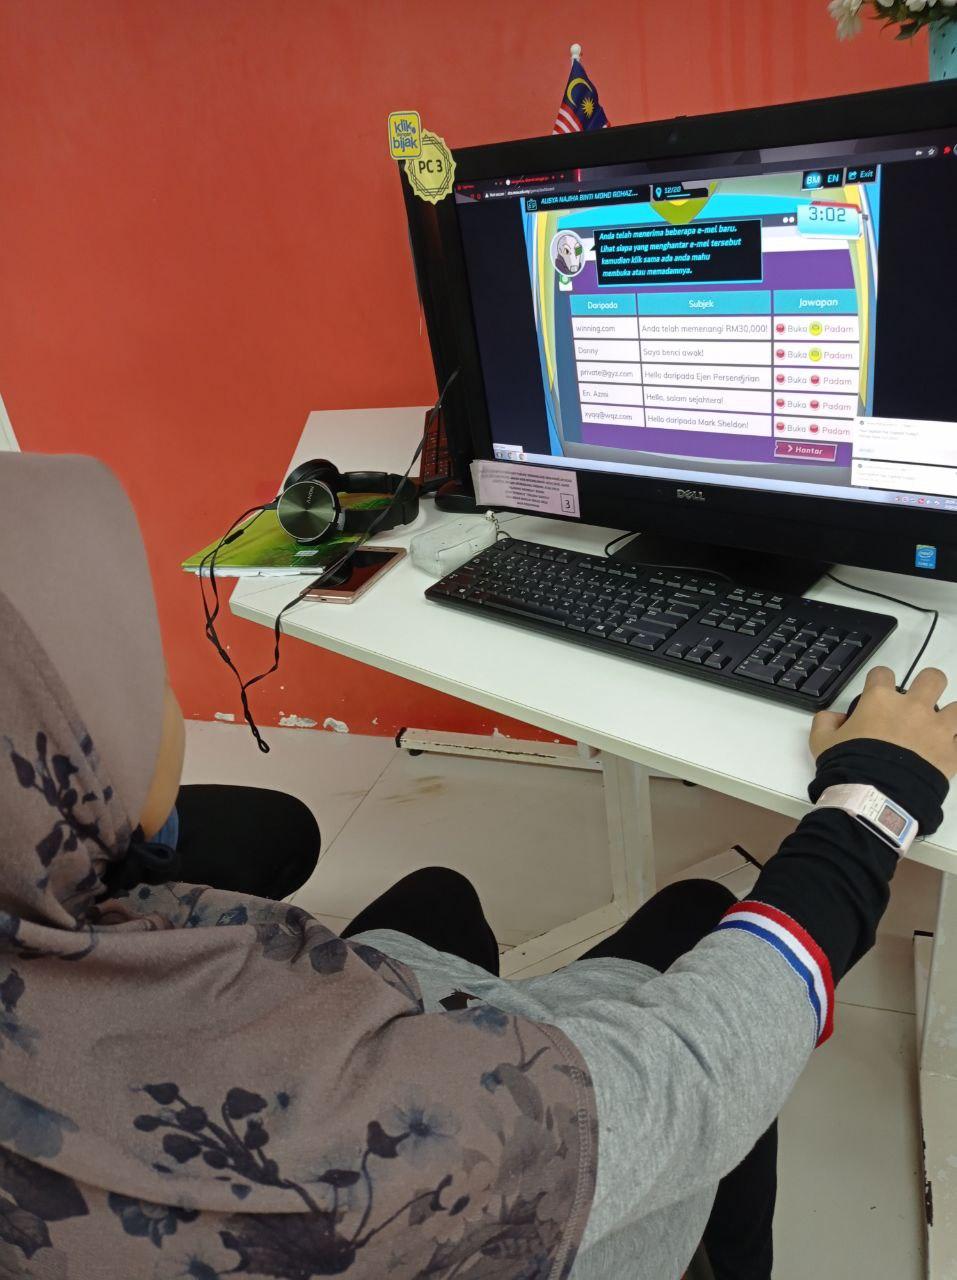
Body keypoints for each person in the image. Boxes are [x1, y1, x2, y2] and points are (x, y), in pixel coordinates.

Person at [1, 453, 953, 1280]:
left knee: (436, 901)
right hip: (527, 1207)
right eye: (139, 673)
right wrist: (876, 793)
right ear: (68, 762)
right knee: (703, 913)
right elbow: (696, 1073)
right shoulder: (376, 1148)